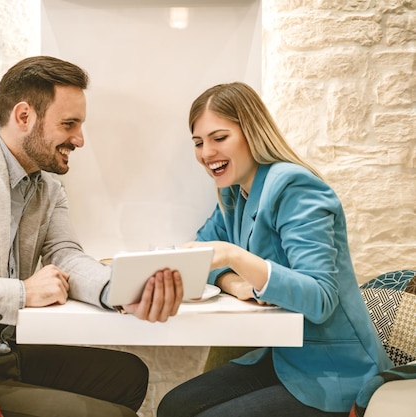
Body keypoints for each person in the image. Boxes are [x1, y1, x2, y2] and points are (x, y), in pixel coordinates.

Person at [0, 55, 184, 417]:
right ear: (24, 117)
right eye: (69, 124)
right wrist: (22, 293)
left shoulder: (48, 190)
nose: (80, 139)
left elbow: (66, 255)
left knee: (130, 375)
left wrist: (118, 290)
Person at [157, 82, 393, 417]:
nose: (206, 153)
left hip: (334, 373)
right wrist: (236, 282)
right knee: (173, 406)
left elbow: (320, 298)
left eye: (219, 138)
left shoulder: (295, 187)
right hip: (281, 357)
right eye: (198, 142)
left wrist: (234, 256)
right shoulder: (233, 194)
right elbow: (203, 255)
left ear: (252, 132)